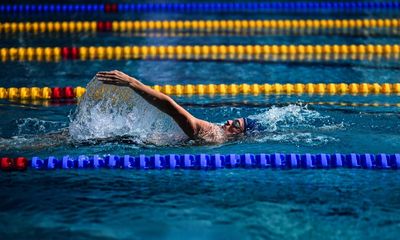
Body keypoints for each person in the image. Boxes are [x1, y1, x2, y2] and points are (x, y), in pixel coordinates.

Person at [96, 70, 256, 144]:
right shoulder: (214, 135)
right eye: (234, 120)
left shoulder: (213, 136)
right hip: (129, 141)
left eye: (236, 124)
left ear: (241, 135)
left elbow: (170, 107)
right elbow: (171, 109)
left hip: (127, 142)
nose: (229, 121)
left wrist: (132, 83)